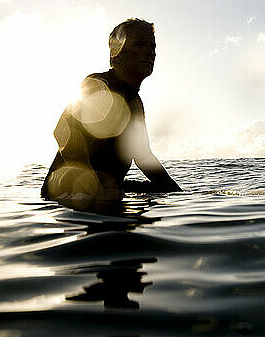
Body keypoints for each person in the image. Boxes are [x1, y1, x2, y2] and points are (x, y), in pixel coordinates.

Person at [41, 18, 181, 204]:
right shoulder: (98, 85)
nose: (150, 52)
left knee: (167, 194)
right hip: (66, 191)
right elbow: (62, 130)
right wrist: (92, 186)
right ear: (117, 53)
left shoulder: (135, 103)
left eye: (153, 46)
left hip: (108, 189)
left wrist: (178, 194)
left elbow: (143, 156)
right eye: (139, 44)